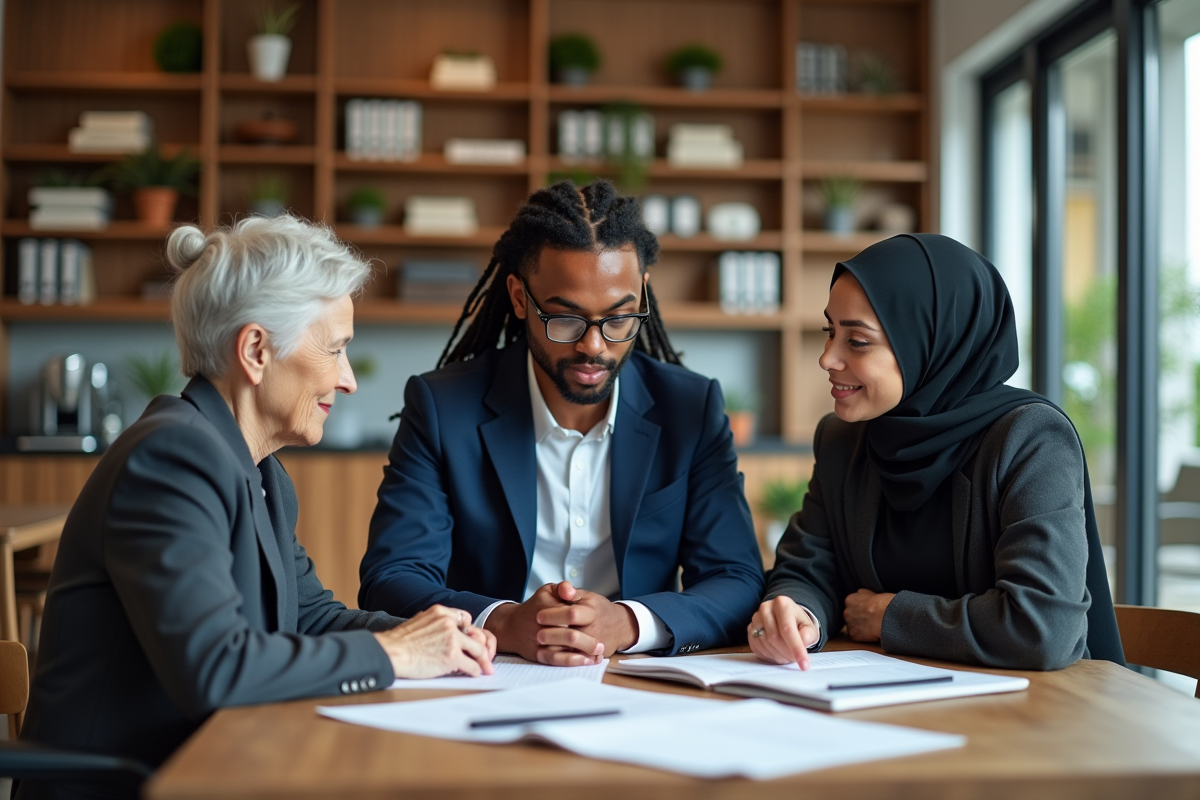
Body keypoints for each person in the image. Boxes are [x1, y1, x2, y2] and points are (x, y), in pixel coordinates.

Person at [18, 215, 495, 798]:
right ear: (256, 350)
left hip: (209, 765)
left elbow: (310, 617)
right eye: (336, 348)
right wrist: (394, 652)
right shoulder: (172, 458)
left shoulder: (259, 470)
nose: (347, 379)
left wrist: (433, 636)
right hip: (134, 784)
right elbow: (215, 669)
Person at [359, 180, 765, 665]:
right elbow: (391, 578)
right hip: (490, 673)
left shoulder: (689, 408)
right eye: (565, 319)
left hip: (639, 679)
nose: (594, 346)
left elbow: (737, 578)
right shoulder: (444, 406)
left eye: (618, 319)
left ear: (643, 294)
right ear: (517, 297)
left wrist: (629, 622)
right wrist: (506, 622)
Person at [748, 233, 1124, 671]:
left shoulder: (1030, 438)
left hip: (1031, 713)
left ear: (930, 344)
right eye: (830, 332)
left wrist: (890, 616)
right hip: (884, 703)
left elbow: (1042, 626)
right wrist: (798, 613)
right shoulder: (842, 439)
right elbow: (809, 565)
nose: (827, 358)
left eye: (858, 341)